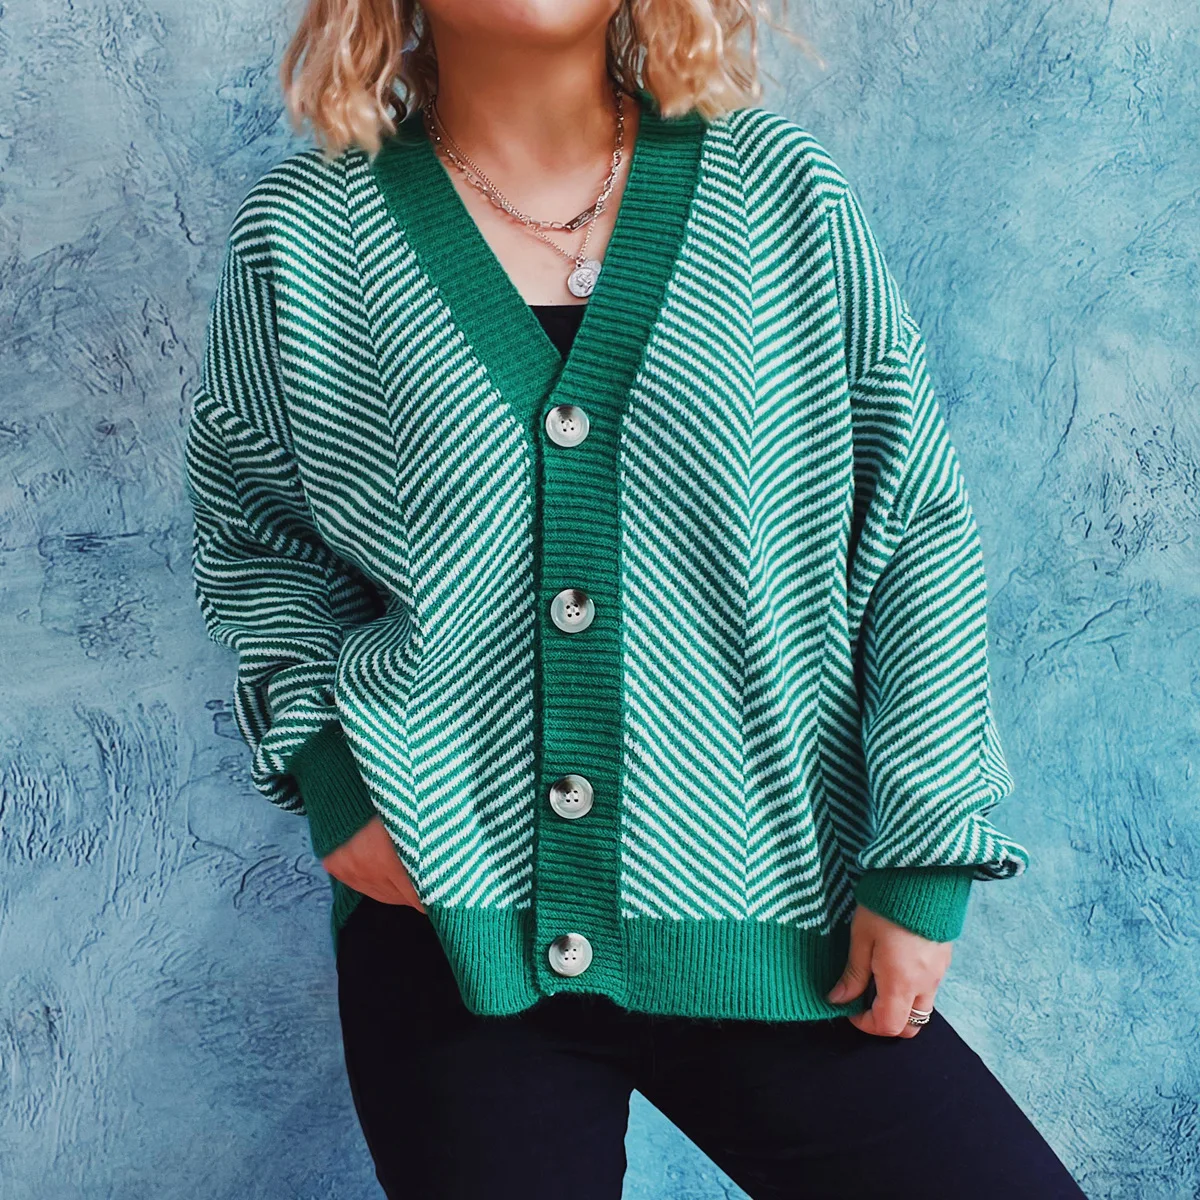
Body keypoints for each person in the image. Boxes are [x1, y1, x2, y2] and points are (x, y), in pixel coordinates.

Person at [183, 2, 1088, 1196]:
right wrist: (335, 780)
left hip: (773, 911)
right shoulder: (305, 236)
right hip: (450, 931)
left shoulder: (779, 195)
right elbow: (257, 542)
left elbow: (912, 532)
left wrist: (922, 856)